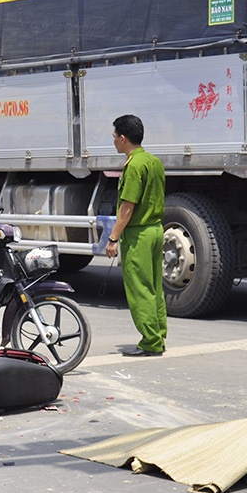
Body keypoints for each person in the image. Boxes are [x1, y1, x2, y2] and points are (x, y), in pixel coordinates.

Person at [103, 113, 167, 357]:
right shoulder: (153, 161)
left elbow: (127, 208)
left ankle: (150, 340)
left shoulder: (133, 166)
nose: (114, 141)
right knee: (154, 287)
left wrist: (113, 238)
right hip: (156, 230)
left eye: (114, 137)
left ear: (123, 138)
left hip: (139, 234)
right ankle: (158, 336)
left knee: (139, 288)